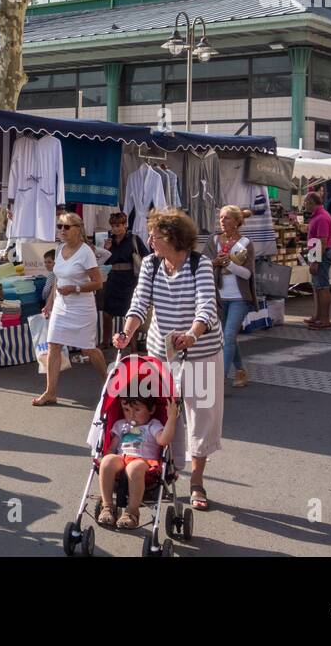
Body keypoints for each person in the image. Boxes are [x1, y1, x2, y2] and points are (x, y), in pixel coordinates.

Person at [117, 208, 221, 512]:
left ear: (174, 238)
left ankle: (197, 481)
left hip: (199, 353)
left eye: (156, 236)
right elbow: (139, 304)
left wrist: (192, 334)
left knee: (201, 417)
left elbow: (207, 306)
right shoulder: (150, 263)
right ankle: (166, 470)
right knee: (163, 414)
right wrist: (126, 333)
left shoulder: (198, 264)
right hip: (160, 353)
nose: (150, 240)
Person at [34, 212, 105, 405]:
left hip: (82, 307)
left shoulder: (86, 252)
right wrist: (49, 303)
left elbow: (98, 283)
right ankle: (50, 392)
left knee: (89, 350)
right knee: (53, 346)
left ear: (77, 230)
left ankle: (108, 384)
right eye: (59, 226)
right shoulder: (59, 249)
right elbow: (58, 278)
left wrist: (75, 288)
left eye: (66, 227)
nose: (62, 230)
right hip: (61, 306)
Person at [97, 395, 179, 530]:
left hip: (144, 461)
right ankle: (107, 506)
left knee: (134, 467)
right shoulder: (121, 425)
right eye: (127, 410)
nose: (131, 415)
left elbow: (164, 440)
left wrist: (171, 419)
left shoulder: (153, 425)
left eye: (137, 410)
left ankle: (132, 512)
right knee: (107, 461)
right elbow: (112, 448)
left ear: (151, 409)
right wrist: (105, 457)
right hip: (122, 458)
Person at [211, 205, 255, 389]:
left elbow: (247, 274)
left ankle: (219, 380)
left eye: (227, 218)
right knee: (226, 337)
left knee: (228, 336)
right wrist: (216, 262)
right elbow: (204, 264)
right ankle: (240, 370)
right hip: (218, 296)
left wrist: (229, 264)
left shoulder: (246, 243)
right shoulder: (213, 240)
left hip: (239, 297)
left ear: (237, 222)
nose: (222, 221)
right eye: (221, 217)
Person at [102, 211, 147, 349]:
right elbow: (103, 261)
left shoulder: (133, 239)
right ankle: (105, 342)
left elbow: (145, 256)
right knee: (107, 312)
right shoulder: (109, 241)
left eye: (118, 225)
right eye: (113, 226)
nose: (115, 229)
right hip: (113, 279)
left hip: (129, 280)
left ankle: (132, 346)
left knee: (130, 312)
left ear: (124, 225)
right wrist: (106, 249)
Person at [302, 193, 331, 330]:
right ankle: (318, 316)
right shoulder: (318, 216)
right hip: (316, 252)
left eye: (306, 202)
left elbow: (322, 240)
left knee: (322, 287)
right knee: (317, 286)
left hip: (320, 252)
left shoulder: (321, 217)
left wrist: (316, 260)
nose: (304, 205)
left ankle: (325, 319)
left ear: (311, 202)